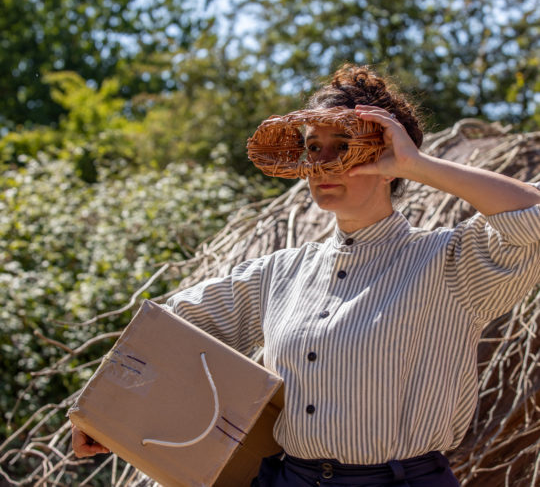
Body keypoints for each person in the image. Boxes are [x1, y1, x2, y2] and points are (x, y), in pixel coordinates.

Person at [72, 64, 540, 486]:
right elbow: (170, 325)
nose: (323, 164)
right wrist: (102, 411)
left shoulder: (450, 262)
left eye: (344, 147)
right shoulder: (281, 271)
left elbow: (533, 216)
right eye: (314, 147)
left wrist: (417, 165)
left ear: (388, 159)